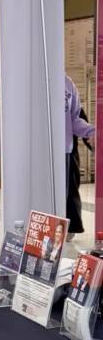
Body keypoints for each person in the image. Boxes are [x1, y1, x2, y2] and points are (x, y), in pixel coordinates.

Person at [65, 76, 94, 232]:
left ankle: (70, 227)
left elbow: (76, 118)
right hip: (38, 153)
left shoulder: (68, 83)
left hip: (66, 152)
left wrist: (92, 132)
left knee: (69, 192)